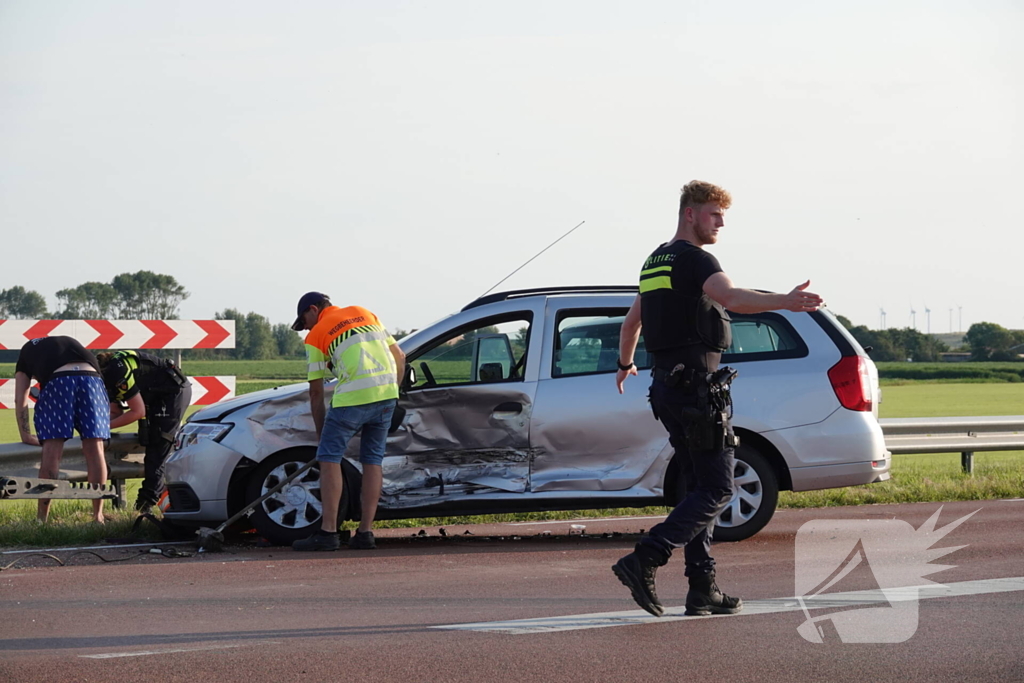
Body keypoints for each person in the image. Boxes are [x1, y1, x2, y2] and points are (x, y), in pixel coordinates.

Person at [612, 180, 823, 617]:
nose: (721, 223)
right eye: (714, 214)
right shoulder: (696, 259)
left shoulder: (655, 261)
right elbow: (731, 297)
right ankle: (646, 557)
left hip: (667, 390)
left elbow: (633, 322)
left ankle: (702, 588)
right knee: (718, 487)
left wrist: (623, 363)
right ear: (690, 213)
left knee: (697, 485)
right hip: (697, 391)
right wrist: (785, 300)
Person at [290, 291, 406, 551]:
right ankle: (365, 533)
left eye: (304, 321)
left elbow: (316, 391)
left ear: (313, 309)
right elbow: (400, 356)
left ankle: (328, 533)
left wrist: (322, 435)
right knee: (372, 460)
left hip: (352, 400)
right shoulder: (365, 313)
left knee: (329, 457)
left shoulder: (317, 334)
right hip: (386, 395)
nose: (305, 328)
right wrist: (392, 393)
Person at [14, 336, 111, 523]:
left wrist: (25, 434)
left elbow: (21, 398)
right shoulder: (66, 342)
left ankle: (42, 518)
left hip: (59, 380)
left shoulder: (26, 354)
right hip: (92, 378)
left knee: (52, 449)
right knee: (95, 448)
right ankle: (97, 515)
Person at [96, 350, 192, 513]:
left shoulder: (116, 372)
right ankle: (164, 499)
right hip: (154, 394)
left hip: (172, 391)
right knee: (148, 439)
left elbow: (137, 411)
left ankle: (144, 505)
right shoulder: (106, 378)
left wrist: (102, 427)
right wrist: (97, 425)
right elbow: (115, 412)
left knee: (158, 444)